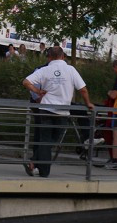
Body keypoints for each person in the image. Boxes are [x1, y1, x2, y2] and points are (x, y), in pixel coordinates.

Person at [21, 46, 94, 178]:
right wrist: (88, 103)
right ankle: (39, 167)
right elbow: (83, 89)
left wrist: (37, 92)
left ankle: (41, 170)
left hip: (45, 109)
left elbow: (26, 82)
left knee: (45, 140)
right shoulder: (70, 70)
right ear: (63, 56)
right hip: (63, 111)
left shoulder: (44, 70)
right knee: (53, 140)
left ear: (49, 57)